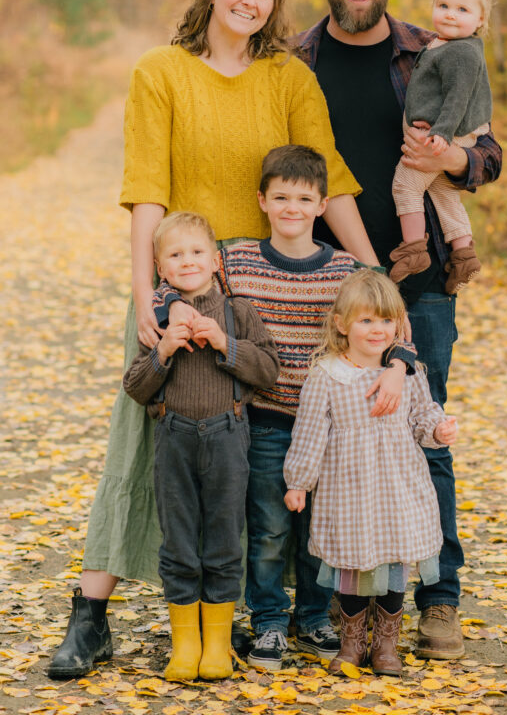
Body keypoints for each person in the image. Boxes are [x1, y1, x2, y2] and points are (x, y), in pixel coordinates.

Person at [47, 0, 378, 680]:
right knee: (138, 446)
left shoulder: (287, 77)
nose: (250, 1)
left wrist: (373, 273)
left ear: (273, 5)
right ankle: (90, 614)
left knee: (246, 464)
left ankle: (240, 618)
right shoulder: (159, 73)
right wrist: (146, 300)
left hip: (258, 297)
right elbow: (147, 192)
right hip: (178, 285)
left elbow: (334, 183)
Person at [294, 0, 502, 661]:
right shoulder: (297, 61)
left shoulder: (435, 44)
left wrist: (451, 153)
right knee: (321, 439)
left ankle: (437, 604)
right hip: (325, 282)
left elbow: (488, 154)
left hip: (423, 284)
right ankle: (326, 607)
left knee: (425, 439)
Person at [209, 144, 417, 671]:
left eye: (304, 198)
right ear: (262, 200)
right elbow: (190, 294)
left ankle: (314, 616)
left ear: (323, 204)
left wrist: (398, 366)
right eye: (281, 197)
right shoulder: (236, 262)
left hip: (337, 427)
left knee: (321, 529)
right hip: (269, 419)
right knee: (271, 525)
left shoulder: (346, 271)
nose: (292, 208)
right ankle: (270, 623)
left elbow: (397, 330)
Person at [122, 211, 278, 681]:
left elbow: (269, 370)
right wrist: (164, 351)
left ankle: (217, 642)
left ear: (215, 260)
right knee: (179, 541)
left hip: (227, 436)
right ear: (159, 268)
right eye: (174, 255)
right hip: (174, 438)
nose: (186, 261)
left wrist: (227, 345)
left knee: (225, 538)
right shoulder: (155, 323)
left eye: (195, 252)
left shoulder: (237, 313)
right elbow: (135, 386)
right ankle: (184, 642)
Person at [283, 270, 458, 676]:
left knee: (395, 564)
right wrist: (299, 482)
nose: (377, 330)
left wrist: (438, 428)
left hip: (400, 487)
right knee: (353, 568)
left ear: (398, 324)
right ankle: (352, 643)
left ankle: (386, 646)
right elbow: (310, 434)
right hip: (350, 492)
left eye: (385, 321)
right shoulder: (327, 376)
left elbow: (422, 416)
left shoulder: (408, 374)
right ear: (342, 324)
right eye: (366, 320)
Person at [389, 0, 499, 291]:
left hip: (448, 134)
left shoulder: (462, 53)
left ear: (480, 19)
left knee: (406, 185)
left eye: (462, 9)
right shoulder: (441, 44)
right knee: (443, 194)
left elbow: (458, 97)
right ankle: (464, 255)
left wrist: (443, 133)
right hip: (442, 131)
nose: (450, 14)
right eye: (443, 6)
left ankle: (413, 250)